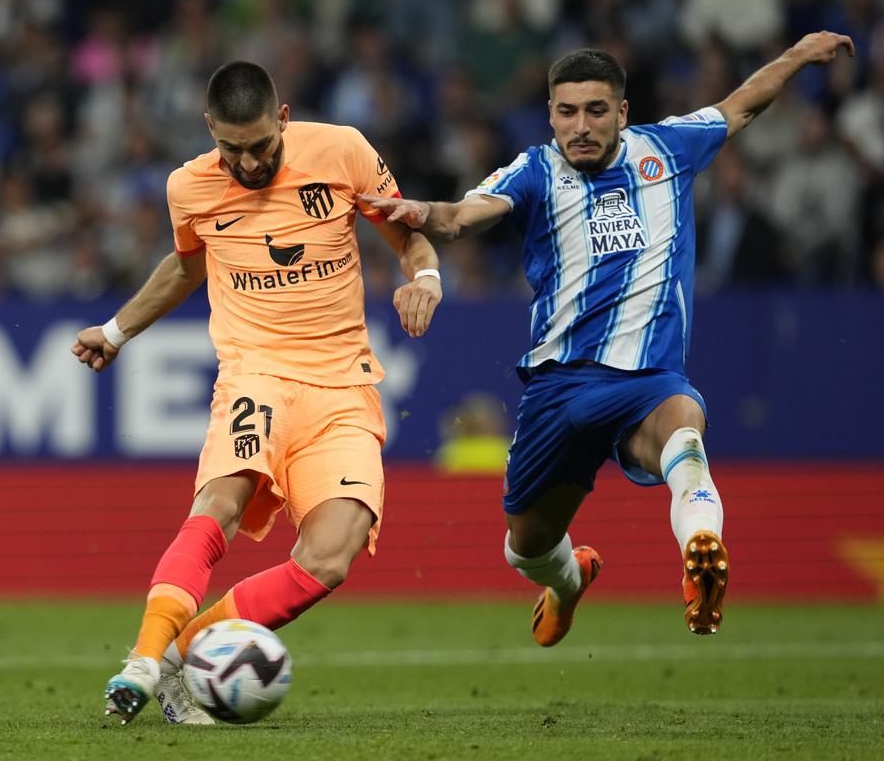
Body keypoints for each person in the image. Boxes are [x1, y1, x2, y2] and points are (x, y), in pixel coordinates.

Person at [360, 31, 854, 647]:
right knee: (526, 544)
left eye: (596, 110)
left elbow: (741, 105)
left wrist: (798, 54)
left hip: (647, 378)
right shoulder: (535, 169)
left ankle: (701, 544)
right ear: (550, 115)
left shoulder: (667, 149)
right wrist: (417, 213)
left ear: (622, 112)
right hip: (559, 387)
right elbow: (461, 216)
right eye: (567, 112)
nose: (581, 126)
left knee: (683, 427)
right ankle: (567, 585)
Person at [72, 60, 442, 723]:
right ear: (210, 129)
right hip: (256, 375)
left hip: (343, 384)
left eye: (261, 147)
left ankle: (181, 656)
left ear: (284, 119)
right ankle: (143, 660)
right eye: (231, 149)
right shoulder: (189, 187)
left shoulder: (344, 151)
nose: (246, 163)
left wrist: (427, 279)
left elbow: (406, 238)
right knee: (220, 499)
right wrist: (115, 329)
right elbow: (188, 266)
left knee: (331, 557)